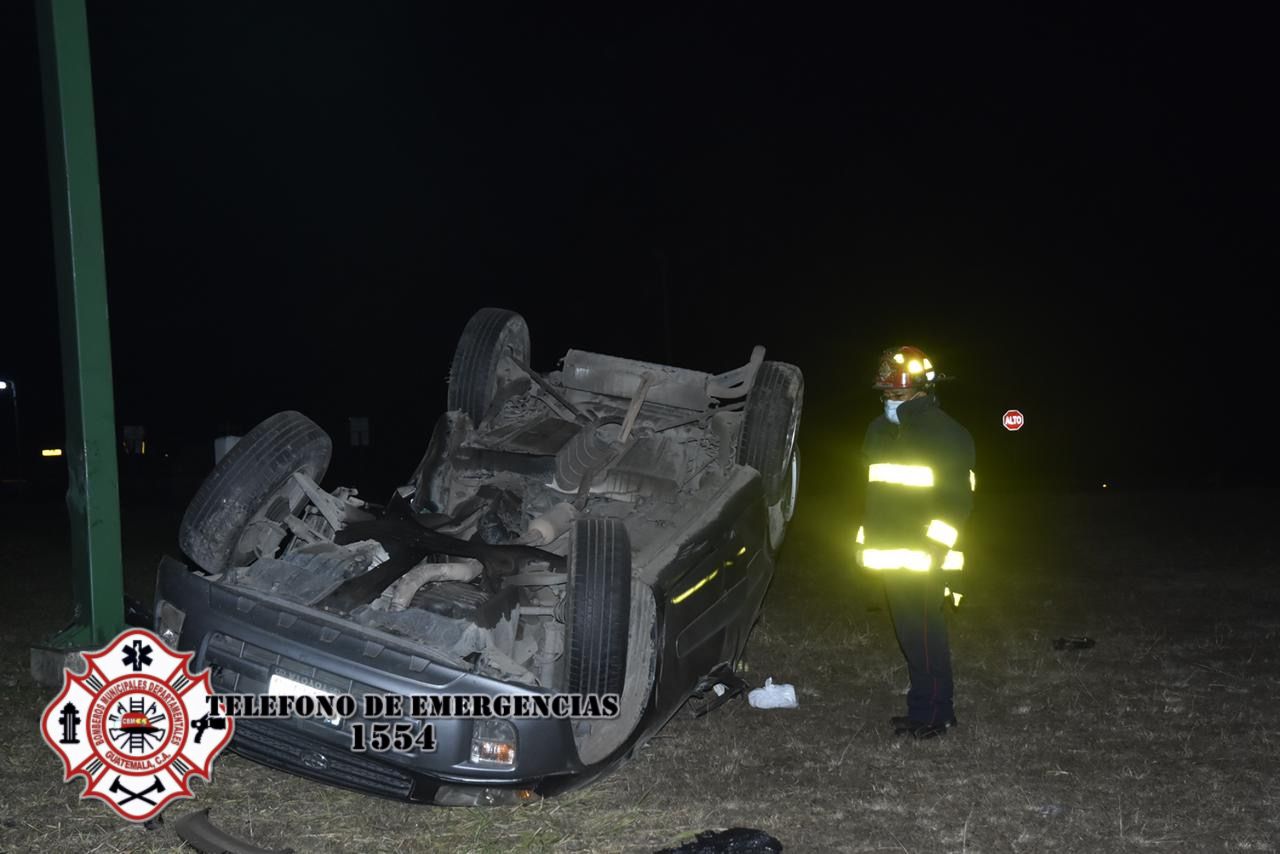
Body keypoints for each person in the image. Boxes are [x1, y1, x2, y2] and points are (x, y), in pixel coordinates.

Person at [857, 345, 975, 739]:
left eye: (897, 394)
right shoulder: (878, 431)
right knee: (909, 636)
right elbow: (874, 494)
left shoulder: (948, 434)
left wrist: (936, 549)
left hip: (925, 556)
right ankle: (922, 708)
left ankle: (938, 714)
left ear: (921, 389)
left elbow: (957, 501)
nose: (888, 400)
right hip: (890, 555)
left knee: (926, 636)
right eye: (885, 393)